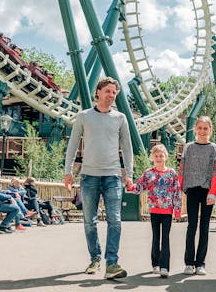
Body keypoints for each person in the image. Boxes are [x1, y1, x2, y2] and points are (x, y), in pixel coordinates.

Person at [63, 77, 134, 279]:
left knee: (115, 220)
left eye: (114, 93)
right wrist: (68, 171)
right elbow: (73, 144)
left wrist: (128, 174)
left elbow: (127, 148)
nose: (111, 95)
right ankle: (95, 259)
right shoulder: (83, 116)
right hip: (89, 176)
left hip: (112, 176)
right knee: (89, 221)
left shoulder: (120, 118)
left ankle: (112, 263)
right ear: (98, 92)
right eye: (108, 91)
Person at [127, 144, 182, 278]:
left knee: (166, 238)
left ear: (166, 157)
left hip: (167, 210)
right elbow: (140, 186)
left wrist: (178, 210)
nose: (158, 158)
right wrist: (130, 187)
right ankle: (155, 264)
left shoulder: (171, 173)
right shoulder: (148, 173)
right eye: (156, 156)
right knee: (156, 237)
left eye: (161, 156)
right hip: (154, 210)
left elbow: (177, 192)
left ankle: (165, 267)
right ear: (152, 157)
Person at [178, 116, 216, 276]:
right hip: (191, 190)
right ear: (195, 129)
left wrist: (213, 192)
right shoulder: (188, 147)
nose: (202, 131)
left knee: (204, 227)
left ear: (210, 130)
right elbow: (182, 168)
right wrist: (180, 187)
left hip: (207, 191)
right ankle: (189, 263)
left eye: (206, 128)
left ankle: (200, 263)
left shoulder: (214, 148)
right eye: (200, 128)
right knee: (191, 226)